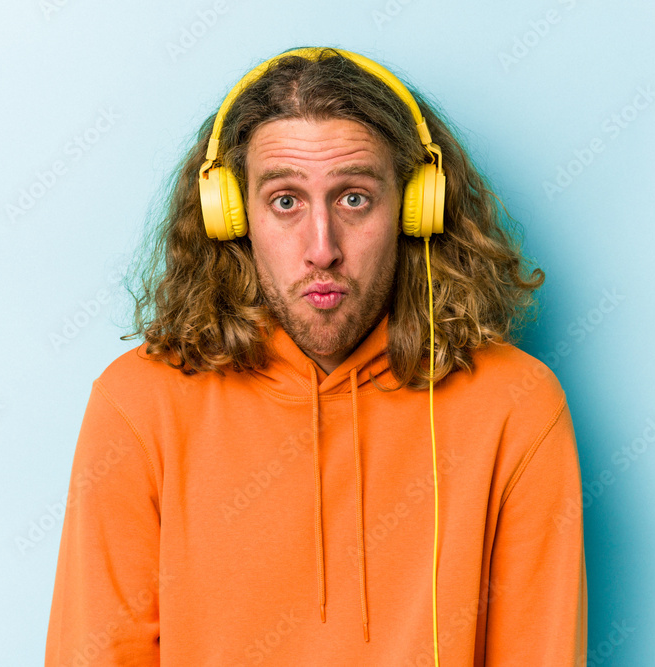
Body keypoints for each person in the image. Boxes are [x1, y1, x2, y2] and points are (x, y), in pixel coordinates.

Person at [45, 46, 587, 666]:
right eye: (285, 201)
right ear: (231, 215)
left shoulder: (515, 406)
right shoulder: (138, 405)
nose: (321, 248)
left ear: (416, 210)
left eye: (354, 198)